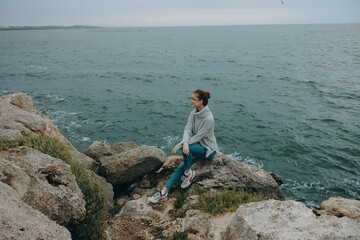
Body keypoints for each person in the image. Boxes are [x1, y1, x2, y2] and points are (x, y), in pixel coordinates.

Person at [149, 89, 219, 203]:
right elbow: (187, 130)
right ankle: (163, 193)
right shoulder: (193, 113)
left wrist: (179, 146)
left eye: (193, 99)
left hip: (208, 150)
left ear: (201, 101)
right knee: (182, 166)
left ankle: (188, 173)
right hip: (195, 146)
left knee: (188, 149)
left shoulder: (209, 119)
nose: (191, 101)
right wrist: (184, 144)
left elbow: (198, 137)